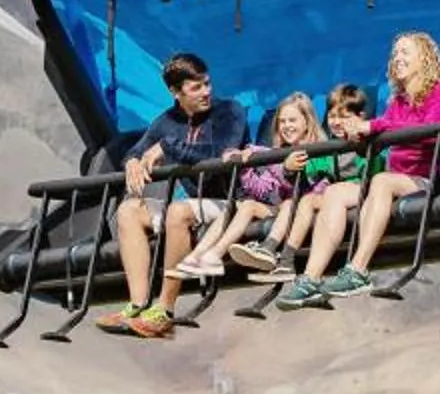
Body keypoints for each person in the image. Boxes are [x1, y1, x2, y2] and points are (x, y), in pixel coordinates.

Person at [276, 32, 440, 307]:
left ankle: (358, 270)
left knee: (382, 181)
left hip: (436, 183)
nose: (397, 58)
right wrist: (359, 139)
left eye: (405, 53)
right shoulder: (397, 103)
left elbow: (426, 133)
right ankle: (310, 279)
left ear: (424, 58)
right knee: (337, 192)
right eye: (395, 54)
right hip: (402, 182)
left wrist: (372, 127)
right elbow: (382, 138)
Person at [96, 53, 250, 340]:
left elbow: (219, 155)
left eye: (207, 84)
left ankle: (164, 310)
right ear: (175, 92)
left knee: (177, 211)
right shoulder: (167, 121)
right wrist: (131, 161)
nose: (206, 92)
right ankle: (138, 304)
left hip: (232, 202)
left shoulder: (230, 111)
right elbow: (138, 149)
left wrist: (169, 147)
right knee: (129, 211)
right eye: (196, 88)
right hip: (197, 204)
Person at [226, 82, 369, 276]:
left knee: (300, 201)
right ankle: (277, 257)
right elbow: (300, 176)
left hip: (350, 194)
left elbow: (371, 167)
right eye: (332, 116)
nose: (336, 122)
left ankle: (276, 251)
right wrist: (256, 158)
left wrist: (361, 139)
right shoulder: (319, 151)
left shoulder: (345, 145)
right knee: (279, 202)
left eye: (343, 117)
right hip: (315, 201)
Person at [175, 91, 320, 281]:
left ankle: (268, 248)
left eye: (292, 120)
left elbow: (311, 187)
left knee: (287, 204)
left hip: (301, 208)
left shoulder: (318, 150)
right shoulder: (274, 154)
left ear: (307, 122)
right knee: (246, 205)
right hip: (278, 207)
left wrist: (287, 170)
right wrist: (245, 162)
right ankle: (209, 256)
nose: (287, 126)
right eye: (282, 122)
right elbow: (264, 189)